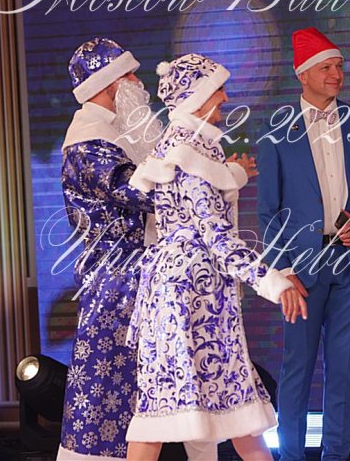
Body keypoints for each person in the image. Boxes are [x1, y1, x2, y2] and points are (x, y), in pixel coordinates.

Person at [125, 53, 307, 461]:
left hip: (183, 293)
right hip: (191, 297)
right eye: (217, 90)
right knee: (177, 408)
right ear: (196, 97)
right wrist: (272, 282)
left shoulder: (184, 147)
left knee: (213, 404)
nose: (225, 97)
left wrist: (232, 175)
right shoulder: (188, 153)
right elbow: (217, 239)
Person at [56, 38, 216, 461]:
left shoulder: (119, 134)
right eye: (128, 75)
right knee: (107, 392)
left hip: (146, 276)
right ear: (108, 83)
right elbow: (137, 190)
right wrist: (204, 177)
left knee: (180, 380)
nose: (138, 83)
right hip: (117, 283)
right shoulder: (89, 142)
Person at [256, 27, 350, 461]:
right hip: (300, 268)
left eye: (339, 66)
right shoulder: (276, 131)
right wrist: (283, 271)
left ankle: (335, 455)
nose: (336, 75)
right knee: (297, 367)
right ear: (303, 74)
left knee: (343, 368)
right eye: (326, 68)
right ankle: (291, 456)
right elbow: (268, 210)